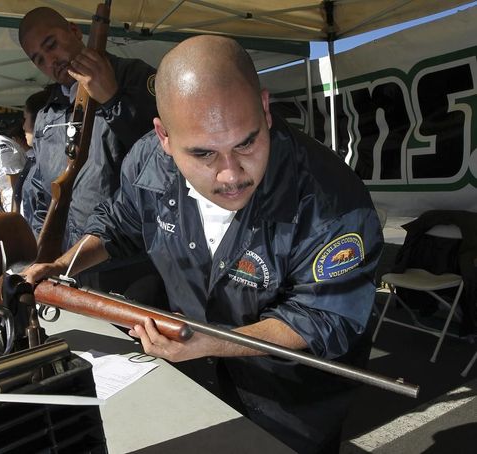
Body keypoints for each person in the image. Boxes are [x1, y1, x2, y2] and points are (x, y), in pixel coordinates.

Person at [24, 36, 384, 453]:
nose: (231, 175)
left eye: (246, 142)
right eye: (203, 154)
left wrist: (210, 340)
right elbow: (120, 223)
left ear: (265, 109)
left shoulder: (331, 198)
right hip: (200, 378)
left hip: (293, 398)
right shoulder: (146, 160)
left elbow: (322, 316)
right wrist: (64, 263)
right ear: (163, 136)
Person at [18, 7, 162, 298]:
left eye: (51, 45)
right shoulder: (48, 115)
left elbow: (168, 153)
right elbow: (43, 194)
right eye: (39, 60)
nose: (51, 62)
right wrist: (44, 254)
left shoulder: (134, 76)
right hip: (73, 267)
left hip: (139, 262)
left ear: (74, 30)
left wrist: (113, 100)